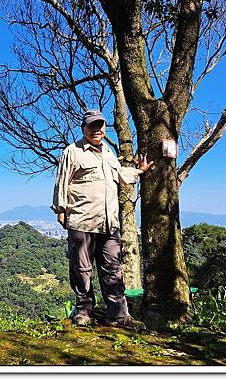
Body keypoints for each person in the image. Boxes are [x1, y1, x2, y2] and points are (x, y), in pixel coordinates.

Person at [51, 110, 154, 329]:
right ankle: (83, 312)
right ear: (84, 128)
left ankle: (118, 315)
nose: (97, 129)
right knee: (82, 269)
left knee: (113, 268)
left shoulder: (108, 152)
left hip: (109, 222)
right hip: (82, 220)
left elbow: (121, 175)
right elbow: (62, 182)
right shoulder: (72, 152)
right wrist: (61, 209)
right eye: (92, 126)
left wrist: (140, 171)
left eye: (100, 125)